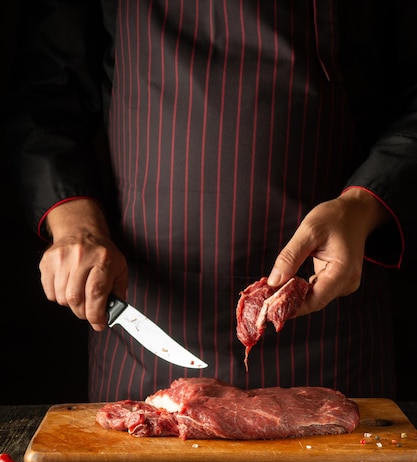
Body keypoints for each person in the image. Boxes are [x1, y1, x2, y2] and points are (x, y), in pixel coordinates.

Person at [5, 0, 417, 401]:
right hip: (145, 324)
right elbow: (46, 92)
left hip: (328, 321)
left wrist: (362, 207)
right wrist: (74, 223)